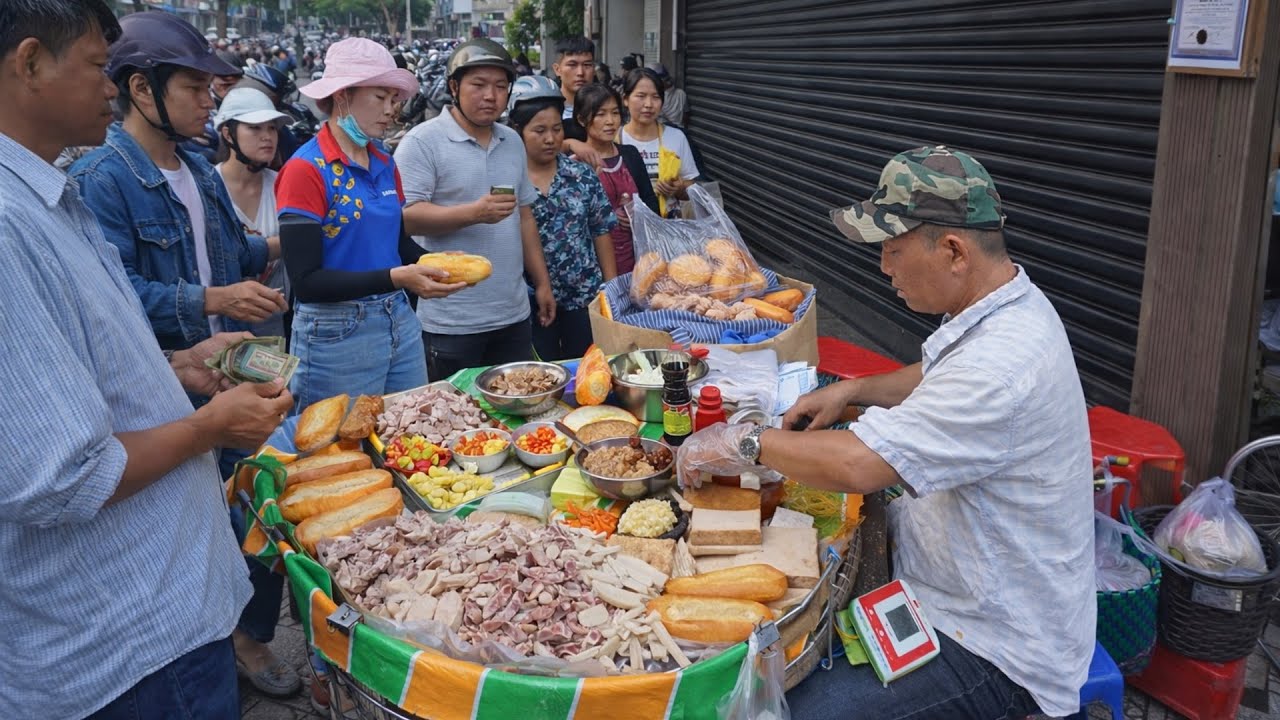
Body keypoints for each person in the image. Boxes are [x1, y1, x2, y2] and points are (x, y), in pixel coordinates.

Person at [675, 146, 1095, 719]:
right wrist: (853, 391)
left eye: (892, 250)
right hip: (950, 577)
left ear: (952, 250)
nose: (883, 268)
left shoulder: (1003, 363)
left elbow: (858, 465)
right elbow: (937, 375)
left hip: (992, 640)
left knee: (789, 711)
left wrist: (739, 440)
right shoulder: (1004, 304)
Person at [0, 1, 294, 716]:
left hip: (167, 611)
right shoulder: (15, 222)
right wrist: (208, 426)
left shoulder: (49, 196)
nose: (110, 84)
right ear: (31, 61)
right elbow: (63, 477)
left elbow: (73, 367)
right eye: (101, 66)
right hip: (130, 642)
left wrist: (179, 368)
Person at [275, 37, 463, 412]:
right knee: (338, 454)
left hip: (398, 320)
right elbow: (307, 282)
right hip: (335, 334)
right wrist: (398, 277)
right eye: (381, 97)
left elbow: (397, 246)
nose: (392, 110)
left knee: (408, 434)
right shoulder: (305, 169)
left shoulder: (384, 162)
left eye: (395, 100)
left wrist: (438, 264)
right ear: (342, 95)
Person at [394, 38, 556, 381]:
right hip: (451, 319)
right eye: (478, 85)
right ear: (454, 87)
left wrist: (542, 283)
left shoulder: (512, 140)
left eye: (500, 86)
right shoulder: (422, 142)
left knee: (513, 413)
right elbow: (404, 219)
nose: (490, 96)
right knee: (457, 421)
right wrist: (474, 213)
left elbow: (524, 216)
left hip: (513, 314)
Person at [508, 76, 617, 360]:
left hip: (584, 296)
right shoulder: (507, 180)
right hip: (529, 300)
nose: (550, 138)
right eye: (539, 130)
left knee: (587, 369)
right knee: (541, 375)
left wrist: (611, 289)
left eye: (557, 129)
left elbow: (601, 231)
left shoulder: (580, 176)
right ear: (517, 131)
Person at [214, 87, 291, 339]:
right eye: (255, 128)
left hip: (275, 322)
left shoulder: (284, 183)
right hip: (221, 327)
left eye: (271, 128)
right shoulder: (206, 187)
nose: (267, 136)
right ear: (228, 133)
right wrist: (294, 241)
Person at [573, 82, 660, 274]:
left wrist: (639, 215)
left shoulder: (630, 155)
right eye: (601, 114)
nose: (611, 121)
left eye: (615, 113)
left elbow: (651, 202)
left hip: (637, 265)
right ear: (581, 119)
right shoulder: (574, 164)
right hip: (592, 268)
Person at [620, 67, 700, 216]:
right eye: (641, 96)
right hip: (626, 232)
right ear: (625, 99)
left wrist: (679, 187)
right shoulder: (615, 139)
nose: (649, 104)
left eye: (656, 97)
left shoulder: (676, 137)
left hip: (669, 230)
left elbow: (692, 188)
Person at [647, 62, 688, 127]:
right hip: (679, 129)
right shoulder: (682, 93)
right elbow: (686, 114)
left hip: (663, 131)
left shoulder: (657, 96)